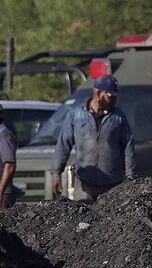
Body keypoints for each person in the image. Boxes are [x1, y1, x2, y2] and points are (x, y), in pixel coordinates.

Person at [51, 74, 136, 203]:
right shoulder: (76, 115)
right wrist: (56, 174)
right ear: (98, 93)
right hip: (84, 186)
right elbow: (63, 145)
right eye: (110, 97)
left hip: (112, 185)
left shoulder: (118, 118)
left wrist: (130, 177)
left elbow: (128, 146)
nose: (113, 101)